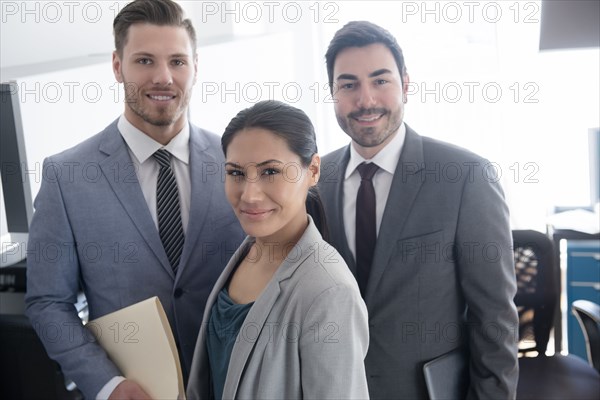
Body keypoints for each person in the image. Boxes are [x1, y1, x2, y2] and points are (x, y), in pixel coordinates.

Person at [25, 0, 245, 398]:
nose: (163, 77)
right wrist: (107, 384)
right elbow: (47, 303)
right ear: (116, 66)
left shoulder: (237, 163)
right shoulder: (66, 176)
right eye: (144, 61)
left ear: (196, 67)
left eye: (177, 61)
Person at [319, 21, 519, 399]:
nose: (365, 100)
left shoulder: (465, 177)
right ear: (332, 92)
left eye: (380, 81)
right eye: (348, 85)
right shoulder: (313, 183)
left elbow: (494, 318)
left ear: (406, 84)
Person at [186, 100, 370, 400]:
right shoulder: (246, 253)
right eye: (236, 173)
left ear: (312, 170)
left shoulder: (329, 291)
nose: (250, 194)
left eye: (270, 172)